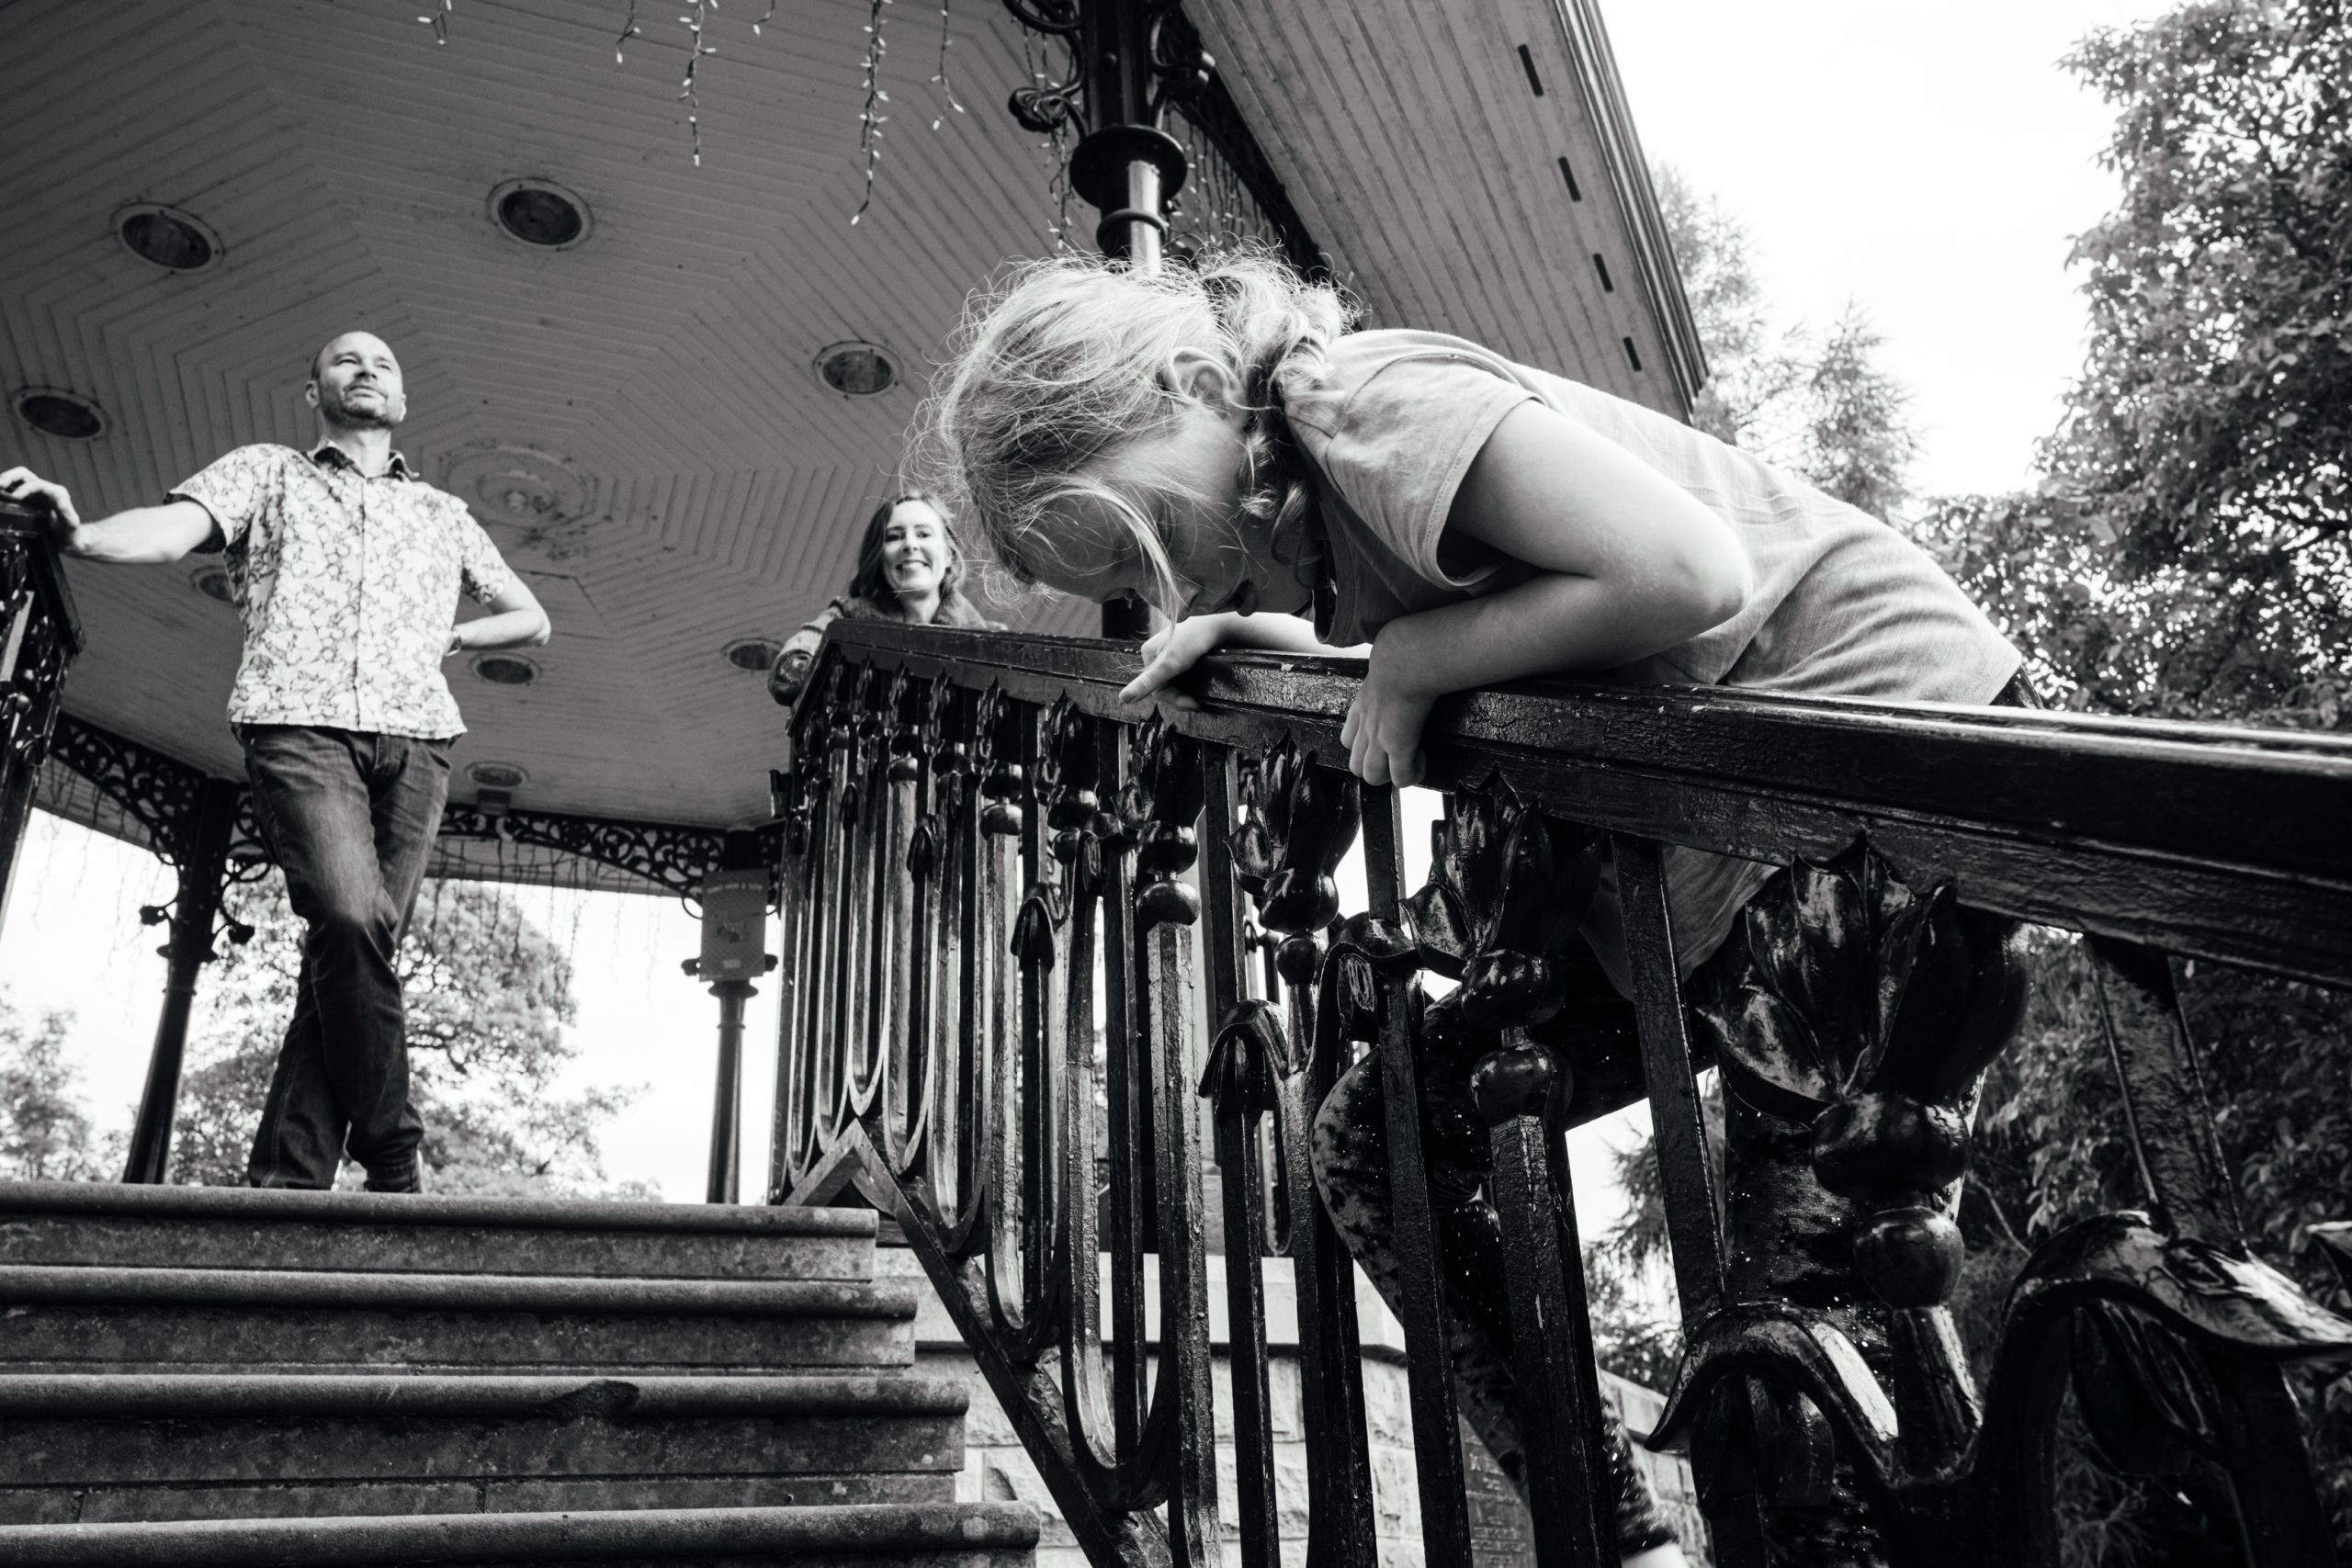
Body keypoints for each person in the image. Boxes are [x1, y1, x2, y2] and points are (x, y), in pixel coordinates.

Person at [914, 250, 2028, 1564]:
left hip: (1865, 798)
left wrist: (1412, 655)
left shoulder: (1360, 402)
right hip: (1708, 867)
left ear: (1198, 382)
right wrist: (1295, 652)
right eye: (1136, 577)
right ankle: (1618, 1529)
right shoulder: (1315, 507)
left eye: (1156, 541)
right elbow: (1517, 607)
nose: (1173, 589)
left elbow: (1684, 570)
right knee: (1379, 1138)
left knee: (1781, 1398)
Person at [0, 331, 550, 1193]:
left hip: (419, 742)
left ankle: (288, 1182)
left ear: (402, 402)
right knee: (347, 914)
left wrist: (455, 632)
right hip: (299, 727)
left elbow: (531, 615)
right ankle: (394, 1147)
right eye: (346, 359)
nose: (365, 369)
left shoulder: (444, 513)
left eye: (384, 364)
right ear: (313, 391)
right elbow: (175, 527)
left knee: (349, 954)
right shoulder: (268, 471)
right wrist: (85, 537)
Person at [768, 492, 1001, 705]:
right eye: (894, 537)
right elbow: (788, 675)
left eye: (923, 534)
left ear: (949, 554)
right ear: (879, 558)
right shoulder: (844, 619)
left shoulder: (991, 641)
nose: (910, 544)